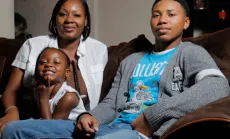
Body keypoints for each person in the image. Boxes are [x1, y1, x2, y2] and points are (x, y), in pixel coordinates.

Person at [1, 0, 229, 138]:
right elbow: (112, 103)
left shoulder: (189, 53)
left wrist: (151, 117)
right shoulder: (131, 60)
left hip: (140, 131)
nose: (162, 20)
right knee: (13, 131)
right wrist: (89, 116)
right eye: (157, 14)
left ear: (186, 22)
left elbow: (218, 86)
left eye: (171, 15)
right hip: (108, 126)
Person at [0, 0, 107, 132]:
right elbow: (11, 91)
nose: (69, 20)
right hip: (37, 122)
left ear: (85, 21)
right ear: (55, 19)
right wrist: (11, 111)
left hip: (82, 124)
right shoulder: (32, 45)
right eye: (62, 14)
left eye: (76, 15)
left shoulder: (99, 50)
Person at [33, 47, 86, 120]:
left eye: (56, 63)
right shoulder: (39, 88)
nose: (48, 65)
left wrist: (43, 99)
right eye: (43, 62)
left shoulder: (69, 97)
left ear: (67, 73)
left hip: (67, 129)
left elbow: (51, 128)